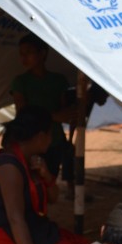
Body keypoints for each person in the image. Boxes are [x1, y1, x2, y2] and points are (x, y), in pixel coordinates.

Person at [0, 105, 88, 244]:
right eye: (50, 135)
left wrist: (47, 176)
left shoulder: (31, 161)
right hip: (9, 239)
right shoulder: (9, 168)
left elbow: (53, 198)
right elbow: (15, 218)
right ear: (40, 136)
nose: (51, 140)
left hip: (34, 230)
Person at [10, 33, 75, 188]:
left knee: (48, 183)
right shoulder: (20, 82)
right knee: (32, 186)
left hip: (55, 142)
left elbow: (68, 115)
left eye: (28, 53)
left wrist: (43, 116)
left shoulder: (58, 81)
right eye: (21, 54)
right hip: (30, 143)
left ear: (42, 53)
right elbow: (23, 115)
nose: (24, 58)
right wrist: (53, 116)